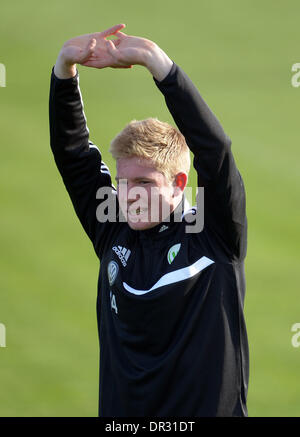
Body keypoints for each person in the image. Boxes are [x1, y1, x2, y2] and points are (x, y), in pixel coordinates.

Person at [49, 24, 249, 417]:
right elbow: (74, 156)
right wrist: (64, 71)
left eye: (144, 182)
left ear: (179, 183)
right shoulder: (113, 230)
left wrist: (158, 65)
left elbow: (216, 153)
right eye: (122, 183)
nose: (129, 195)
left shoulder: (213, 236)